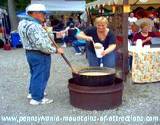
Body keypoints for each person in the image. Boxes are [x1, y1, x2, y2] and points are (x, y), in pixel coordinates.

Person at [18, 4, 64, 105]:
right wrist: (56, 50)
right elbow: (42, 45)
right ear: (35, 13)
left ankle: (33, 92)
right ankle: (37, 98)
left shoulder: (23, 23)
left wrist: (54, 34)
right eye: (43, 13)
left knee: (35, 73)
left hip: (30, 52)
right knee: (42, 75)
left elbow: (39, 38)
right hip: (40, 54)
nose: (45, 15)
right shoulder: (35, 26)